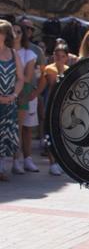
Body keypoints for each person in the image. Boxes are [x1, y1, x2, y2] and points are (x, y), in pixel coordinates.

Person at [32, 42, 70, 176]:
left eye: (62, 56)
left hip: (64, 108)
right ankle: (52, 163)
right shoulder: (49, 69)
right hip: (50, 105)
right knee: (50, 135)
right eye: (57, 55)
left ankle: (59, 162)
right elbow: (41, 89)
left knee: (61, 137)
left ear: (66, 57)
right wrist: (32, 98)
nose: (59, 58)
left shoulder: (69, 70)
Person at [12, 23, 39, 174]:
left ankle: (17, 161)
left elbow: (28, 78)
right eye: (12, 31)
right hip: (3, 91)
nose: (15, 34)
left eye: (18, 31)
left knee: (19, 129)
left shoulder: (29, 54)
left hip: (21, 92)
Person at [0, 21, 24, 181]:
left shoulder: (14, 54)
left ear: (6, 35)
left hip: (9, 102)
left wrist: (13, 95)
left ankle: (1, 169)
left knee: (4, 135)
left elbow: (21, 79)